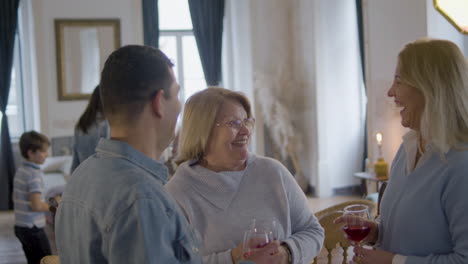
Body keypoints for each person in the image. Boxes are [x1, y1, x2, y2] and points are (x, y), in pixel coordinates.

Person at [55, 45, 202, 263]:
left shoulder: (81, 176)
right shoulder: (142, 198)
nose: (180, 105)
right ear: (159, 102)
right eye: (177, 94)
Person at [337, 38, 468, 264]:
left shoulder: (461, 164)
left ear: (429, 87)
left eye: (398, 80)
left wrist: (391, 261)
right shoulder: (408, 147)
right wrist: (378, 232)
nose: (390, 92)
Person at [166, 87, 324, 264]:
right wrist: (232, 258)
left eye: (247, 122)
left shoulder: (273, 172)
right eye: (234, 123)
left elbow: (313, 231)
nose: (246, 131)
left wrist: (286, 252)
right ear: (204, 131)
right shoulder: (177, 193)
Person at [13, 131, 52, 264]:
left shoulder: (21, 170)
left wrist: (43, 216)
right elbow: (36, 205)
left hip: (21, 226)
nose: (47, 154)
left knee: (33, 260)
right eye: (43, 151)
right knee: (47, 260)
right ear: (31, 153)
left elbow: (25, 201)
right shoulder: (34, 174)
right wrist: (53, 206)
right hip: (32, 229)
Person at [70, 85, 109, 172]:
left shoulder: (81, 123)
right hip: (101, 177)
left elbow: (75, 160)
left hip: (84, 176)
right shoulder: (107, 124)